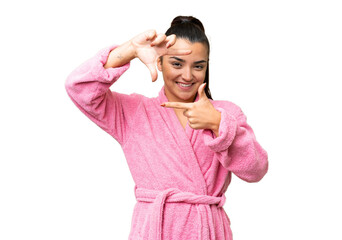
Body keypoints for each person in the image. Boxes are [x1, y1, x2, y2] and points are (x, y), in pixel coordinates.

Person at [65, 16, 268, 240]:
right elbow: (78, 87)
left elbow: (256, 170)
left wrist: (218, 124)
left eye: (198, 66)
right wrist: (130, 49)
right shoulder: (133, 112)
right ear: (160, 62)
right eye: (177, 64)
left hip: (208, 232)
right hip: (154, 231)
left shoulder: (226, 114)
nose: (188, 76)